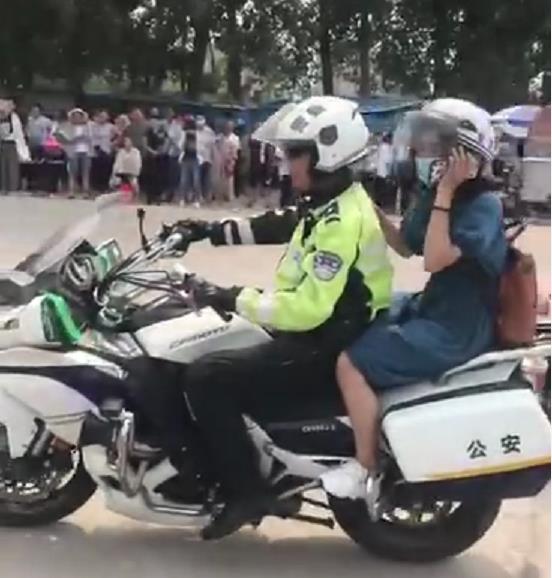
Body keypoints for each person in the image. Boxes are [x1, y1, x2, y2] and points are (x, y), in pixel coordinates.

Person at [177, 96, 393, 540]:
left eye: (295, 153)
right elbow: (280, 224)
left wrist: (230, 296)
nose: (285, 162)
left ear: (326, 155)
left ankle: (245, 491)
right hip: (327, 329)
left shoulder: (341, 223)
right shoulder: (332, 200)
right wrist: (206, 230)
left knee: (206, 377)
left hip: (324, 340)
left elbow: (308, 309)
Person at [321, 98, 508, 514]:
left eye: (439, 146)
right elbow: (406, 246)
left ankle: (365, 466)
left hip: (455, 327)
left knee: (351, 362)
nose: (427, 154)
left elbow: (435, 259)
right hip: (430, 305)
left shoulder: (482, 206)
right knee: (354, 316)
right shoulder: (438, 195)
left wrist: (445, 192)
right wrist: (359, 201)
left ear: (467, 155)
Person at [60, 108, 93, 197]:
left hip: (86, 152)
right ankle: (71, 191)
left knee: (85, 172)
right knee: (72, 172)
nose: (77, 118)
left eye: (79, 116)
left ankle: (86, 191)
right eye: (75, 116)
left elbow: (90, 138)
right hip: (73, 152)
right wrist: (76, 139)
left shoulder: (87, 126)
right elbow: (66, 139)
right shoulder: (69, 127)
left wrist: (82, 137)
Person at [0, 99, 29, 193]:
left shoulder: (14, 118)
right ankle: (3, 187)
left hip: (12, 144)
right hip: (2, 143)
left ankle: (12, 188)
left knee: (12, 167)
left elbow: (18, 133)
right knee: (2, 167)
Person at [90, 110, 115, 192]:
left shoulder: (111, 127)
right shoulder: (92, 125)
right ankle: (95, 186)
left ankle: (104, 186)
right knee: (95, 169)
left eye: (104, 116)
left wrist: (113, 143)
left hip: (106, 149)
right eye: (101, 116)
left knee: (106, 169)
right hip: (95, 149)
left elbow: (119, 135)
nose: (102, 118)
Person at [216, 120, 240, 202]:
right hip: (220, 159)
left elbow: (236, 150)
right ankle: (220, 196)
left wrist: (231, 160)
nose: (228, 128)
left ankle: (230, 196)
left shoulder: (235, 138)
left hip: (230, 159)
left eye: (230, 127)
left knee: (229, 178)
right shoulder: (219, 137)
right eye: (227, 127)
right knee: (220, 178)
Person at [180, 115, 201, 207]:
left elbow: (199, 147)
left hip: (195, 158)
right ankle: (182, 198)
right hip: (186, 158)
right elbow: (180, 146)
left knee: (196, 180)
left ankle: (196, 200)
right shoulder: (184, 134)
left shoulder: (198, 134)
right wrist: (185, 137)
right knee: (184, 180)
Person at [196, 115, 215, 203]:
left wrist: (213, 158)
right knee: (197, 178)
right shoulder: (194, 132)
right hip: (197, 158)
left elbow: (213, 146)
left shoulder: (209, 132)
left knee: (207, 179)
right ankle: (199, 196)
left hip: (207, 158)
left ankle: (207, 196)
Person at [166, 110, 184, 202]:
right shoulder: (173, 126)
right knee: (173, 175)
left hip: (182, 155)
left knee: (180, 176)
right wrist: (179, 146)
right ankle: (171, 194)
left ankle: (178, 195)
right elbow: (171, 138)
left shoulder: (183, 126)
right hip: (173, 154)